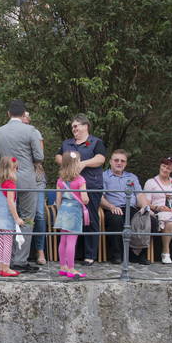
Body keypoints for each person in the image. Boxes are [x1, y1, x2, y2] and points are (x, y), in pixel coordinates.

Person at [0, 100, 43, 273]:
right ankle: (20, 260)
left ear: (8, 114)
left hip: (6, 179)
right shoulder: (30, 130)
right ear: (23, 114)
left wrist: (1, 176)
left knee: (9, 217)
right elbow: (39, 156)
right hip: (27, 180)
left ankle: (8, 259)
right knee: (27, 218)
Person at [55, 114, 106, 266]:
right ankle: (73, 255)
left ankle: (89, 255)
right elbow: (57, 157)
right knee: (70, 221)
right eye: (72, 127)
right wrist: (67, 163)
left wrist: (83, 163)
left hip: (90, 186)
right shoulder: (67, 143)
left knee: (90, 219)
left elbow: (101, 159)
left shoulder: (96, 142)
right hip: (70, 188)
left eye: (76, 126)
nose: (74, 129)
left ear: (86, 126)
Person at [101, 150, 151, 265]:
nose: (119, 163)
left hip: (132, 208)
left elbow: (139, 195)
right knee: (116, 220)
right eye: (116, 160)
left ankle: (139, 255)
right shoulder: (104, 176)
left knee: (147, 219)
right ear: (110, 162)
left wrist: (144, 207)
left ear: (126, 163)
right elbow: (100, 197)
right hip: (114, 208)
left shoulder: (132, 177)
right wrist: (111, 206)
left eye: (122, 161)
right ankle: (116, 255)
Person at [144, 157, 172, 265]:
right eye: (163, 166)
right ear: (160, 166)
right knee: (170, 223)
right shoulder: (151, 182)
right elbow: (146, 202)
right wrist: (158, 207)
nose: (165, 169)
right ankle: (165, 251)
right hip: (159, 211)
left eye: (168, 168)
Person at [54, 151, 88, 279]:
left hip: (63, 211)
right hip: (74, 212)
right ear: (76, 164)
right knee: (71, 241)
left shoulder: (60, 180)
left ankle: (63, 266)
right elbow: (84, 199)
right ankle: (71, 268)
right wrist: (86, 199)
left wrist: (60, 211)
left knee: (63, 240)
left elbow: (58, 200)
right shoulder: (80, 180)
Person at [0, 157, 23, 277]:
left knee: (0, 242)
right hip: (6, 217)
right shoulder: (10, 184)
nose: (17, 170)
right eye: (16, 168)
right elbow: (10, 202)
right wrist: (17, 218)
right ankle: (6, 268)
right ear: (11, 169)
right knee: (8, 242)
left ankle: (1, 267)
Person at [25, 111, 48, 265]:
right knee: (24, 215)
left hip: (37, 179)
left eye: (27, 116)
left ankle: (40, 250)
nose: (25, 119)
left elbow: (40, 157)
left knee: (39, 214)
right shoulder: (12, 133)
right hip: (21, 179)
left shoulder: (35, 133)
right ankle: (23, 251)